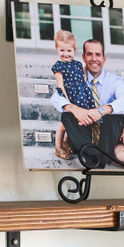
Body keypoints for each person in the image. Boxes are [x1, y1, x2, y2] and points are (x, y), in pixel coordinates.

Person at [49, 37, 124, 166]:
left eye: (98, 54)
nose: (94, 58)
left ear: (104, 58)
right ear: (83, 57)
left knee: (116, 114)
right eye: (89, 54)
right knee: (67, 114)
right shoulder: (75, 78)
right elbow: (56, 97)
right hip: (84, 131)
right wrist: (75, 109)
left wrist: (101, 111)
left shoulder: (115, 81)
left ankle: (99, 158)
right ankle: (93, 156)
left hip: (106, 134)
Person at [50, 30, 84, 158]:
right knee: (64, 125)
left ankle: (65, 143)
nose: (66, 54)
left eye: (69, 51)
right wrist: (68, 103)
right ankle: (58, 147)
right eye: (62, 50)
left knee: (72, 124)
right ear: (57, 49)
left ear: (74, 49)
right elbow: (60, 86)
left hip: (79, 98)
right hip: (68, 99)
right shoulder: (59, 66)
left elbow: (82, 81)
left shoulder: (78, 65)